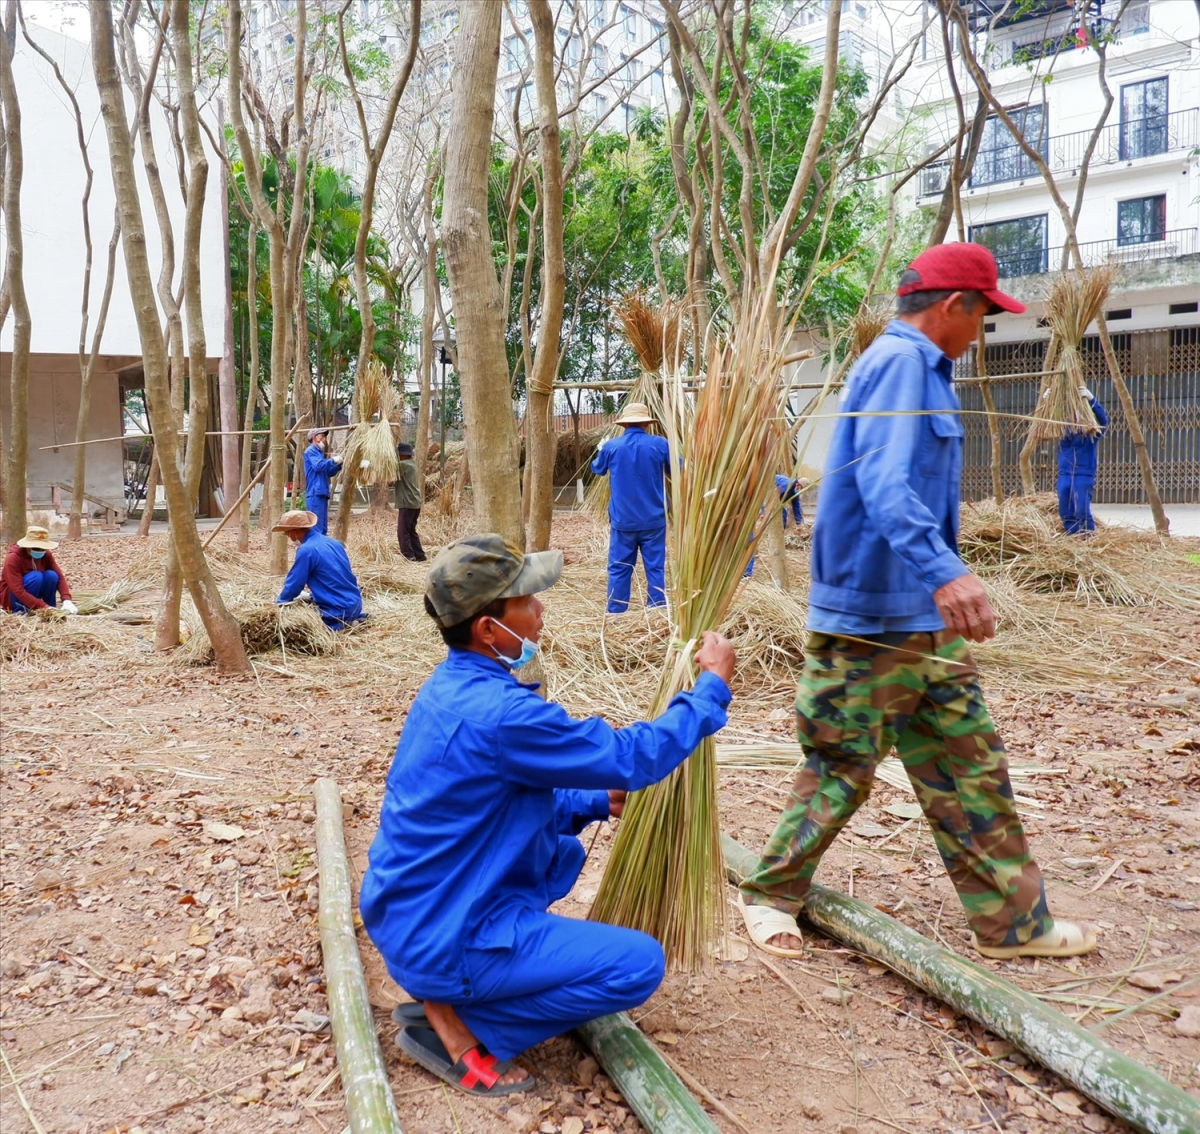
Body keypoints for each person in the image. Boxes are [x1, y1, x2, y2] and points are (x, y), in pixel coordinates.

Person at [738, 243, 1098, 963]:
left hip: (921, 620)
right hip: (870, 619)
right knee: (842, 763)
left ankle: (1011, 927)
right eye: (983, 317)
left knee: (970, 763)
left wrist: (938, 587)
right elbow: (883, 483)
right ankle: (769, 896)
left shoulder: (925, 367)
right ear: (951, 307)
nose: (982, 332)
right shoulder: (901, 363)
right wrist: (949, 573)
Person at [360, 533, 735, 1097]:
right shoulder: (504, 715)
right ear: (489, 629)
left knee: (562, 852)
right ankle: (460, 1031)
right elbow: (633, 758)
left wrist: (592, 801)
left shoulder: (448, 688)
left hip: (407, 915)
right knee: (637, 965)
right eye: (527, 601)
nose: (540, 612)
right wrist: (709, 690)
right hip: (444, 935)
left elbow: (491, 802)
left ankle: (447, 990)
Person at [590, 401, 670, 613]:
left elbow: (597, 469)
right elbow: (677, 468)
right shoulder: (660, 444)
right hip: (654, 519)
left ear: (623, 424)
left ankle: (617, 612)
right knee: (655, 566)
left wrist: (600, 450)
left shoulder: (611, 447)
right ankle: (657, 609)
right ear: (646, 423)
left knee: (619, 567)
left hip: (623, 520)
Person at [273, 509, 365, 629]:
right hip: (355, 603)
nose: (288, 537)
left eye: (288, 533)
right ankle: (353, 619)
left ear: (295, 531)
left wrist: (280, 603)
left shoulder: (306, 550)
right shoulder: (334, 543)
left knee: (297, 626)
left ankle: (342, 624)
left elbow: (294, 584)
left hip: (337, 609)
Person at [1057, 388, 1108, 536]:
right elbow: (1045, 420)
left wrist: (1092, 400)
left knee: (1081, 509)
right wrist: (1045, 400)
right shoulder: (1063, 432)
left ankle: (1088, 537)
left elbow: (1103, 421)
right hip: (1065, 474)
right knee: (1065, 510)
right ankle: (1073, 537)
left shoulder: (1091, 434)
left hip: (1083, 474)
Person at [1, 526, 78, 615]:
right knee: (36, 576)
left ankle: (51, 609)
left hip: (34, 595)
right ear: (28, 547)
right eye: (36, 548)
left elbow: (59, 576)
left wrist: (66, 599)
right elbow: (17, 589)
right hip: (13, 597)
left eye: (43, 548)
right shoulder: (13, 558)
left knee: (51, 575)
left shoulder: (46, 555)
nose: (40, 551)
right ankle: (22, 611)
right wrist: (43, 606)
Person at [744, 474, 807, 578]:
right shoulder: (787, 485)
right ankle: (772, 530)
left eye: (802, 489)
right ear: (797, 483)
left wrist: (799, 523)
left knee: (784, 514)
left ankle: (779, 533)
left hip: (776, 500)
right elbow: (769, 497)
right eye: (799, 486)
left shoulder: (795, 491)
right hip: (767, 492)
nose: (799, 489)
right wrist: (765, 511)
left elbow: (796, 506)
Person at [303, 428, 343, 536]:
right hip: (315, 493)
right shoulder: (311, 451)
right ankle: (315, 551)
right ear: (315, 437)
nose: (324, 439)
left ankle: (321, 550)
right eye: (323, 436)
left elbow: (328, 472)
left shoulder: (319, 454)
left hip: (322, 492)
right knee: (316, 527)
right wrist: (332, 460)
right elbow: (318, 466)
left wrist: (338, 465)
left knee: (323, 528)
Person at [394, 441, 426, 562]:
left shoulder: (403, 465)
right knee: (411, 530)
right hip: (415, 503)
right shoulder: (412, 464)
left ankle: (409, 556)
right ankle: (420, 555)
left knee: (403, 532)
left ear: (402, 455)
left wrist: (369, 465)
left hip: (407, 503)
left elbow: (386, 469)